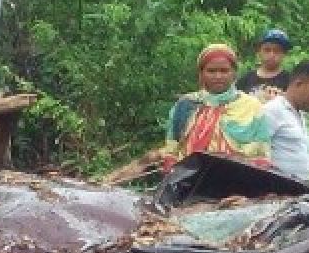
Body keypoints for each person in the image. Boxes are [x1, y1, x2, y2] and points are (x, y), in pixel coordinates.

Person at [105, 44, 271, 182]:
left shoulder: (252, 107)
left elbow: (263, 157)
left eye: (224, 70)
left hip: (235, 184)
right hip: (185, 182)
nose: (218, 76)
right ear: (201, 74)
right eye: (211, 71)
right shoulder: (186, 104)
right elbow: (173, 148)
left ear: (234, 73)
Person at [262, 61, 309, 180]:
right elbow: (255, 153)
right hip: (275, 191)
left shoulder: (299, 114)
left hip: (296, 191)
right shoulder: (273, 110)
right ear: (298, 83)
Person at [236, 29, 292, 100]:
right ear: (259, 52)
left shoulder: (290, 81)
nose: (272, 55)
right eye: (267, 50)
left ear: (284, 54)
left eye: (277, 51)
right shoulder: (245, 80)